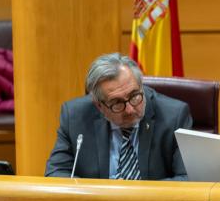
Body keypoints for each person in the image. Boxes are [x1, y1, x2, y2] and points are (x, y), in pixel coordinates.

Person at [45, 53, 192, 180]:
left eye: (134, 96)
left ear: (141, 85)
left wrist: (138, 196)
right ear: (99, 106)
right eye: (117, 103)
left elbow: (187, 178)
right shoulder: (75, 116)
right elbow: (55, 173)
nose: (129, 109)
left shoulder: (174, 116)